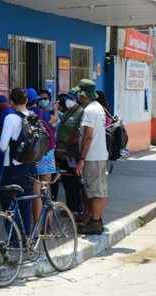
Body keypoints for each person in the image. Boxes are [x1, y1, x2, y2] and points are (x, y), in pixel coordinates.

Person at [0, 88, 37, 235]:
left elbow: (2, 146)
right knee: (25, 203)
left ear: (11, 102)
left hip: (12, 167)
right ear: (26, 101)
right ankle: (26, 237)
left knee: (8, 203)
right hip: (29, 166)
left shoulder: (10, 118)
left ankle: (14, 239)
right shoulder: (33, 116)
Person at [76, 79, 109, 235]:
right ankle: (97, 220)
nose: (77, 97)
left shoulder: (90, 110)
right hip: (100, 155)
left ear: (84, 95)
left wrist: (81, 158)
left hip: (92, 157)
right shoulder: (99, 108)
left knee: (94, 191)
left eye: (79, 93)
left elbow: (88, 136)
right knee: (100, 190)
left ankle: (95, 222)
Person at [56, 89, 86, 215]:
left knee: (75, 182)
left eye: (70, 98)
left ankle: (77, 209)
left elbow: (79, 134)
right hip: (63, 153)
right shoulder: (68, 113)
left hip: (73, 153)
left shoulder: (81, 113)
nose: (67, 100)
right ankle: (70, 208)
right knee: (67, 182)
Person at [31, 89, 59, 225]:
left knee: (36, 192)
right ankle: (48, 224)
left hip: (33, 156)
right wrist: (56, 110)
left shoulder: (27, 114)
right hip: (47, 153)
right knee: (46, 190)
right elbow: (54, 123)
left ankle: (37, 225)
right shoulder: (44, 114)